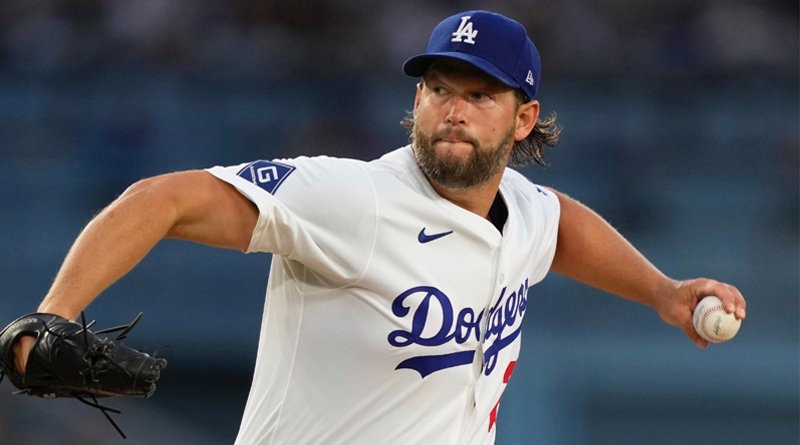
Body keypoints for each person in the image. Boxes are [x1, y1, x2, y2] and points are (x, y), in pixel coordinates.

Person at [10, 10, 746, 445]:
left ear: (524, 118)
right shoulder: (352, 197)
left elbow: (558, 227)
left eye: (478, 93)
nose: (450, 108)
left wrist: (664, 291)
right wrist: (53, 315)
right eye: (436, 88)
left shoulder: (521, 208)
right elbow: (159, 199)